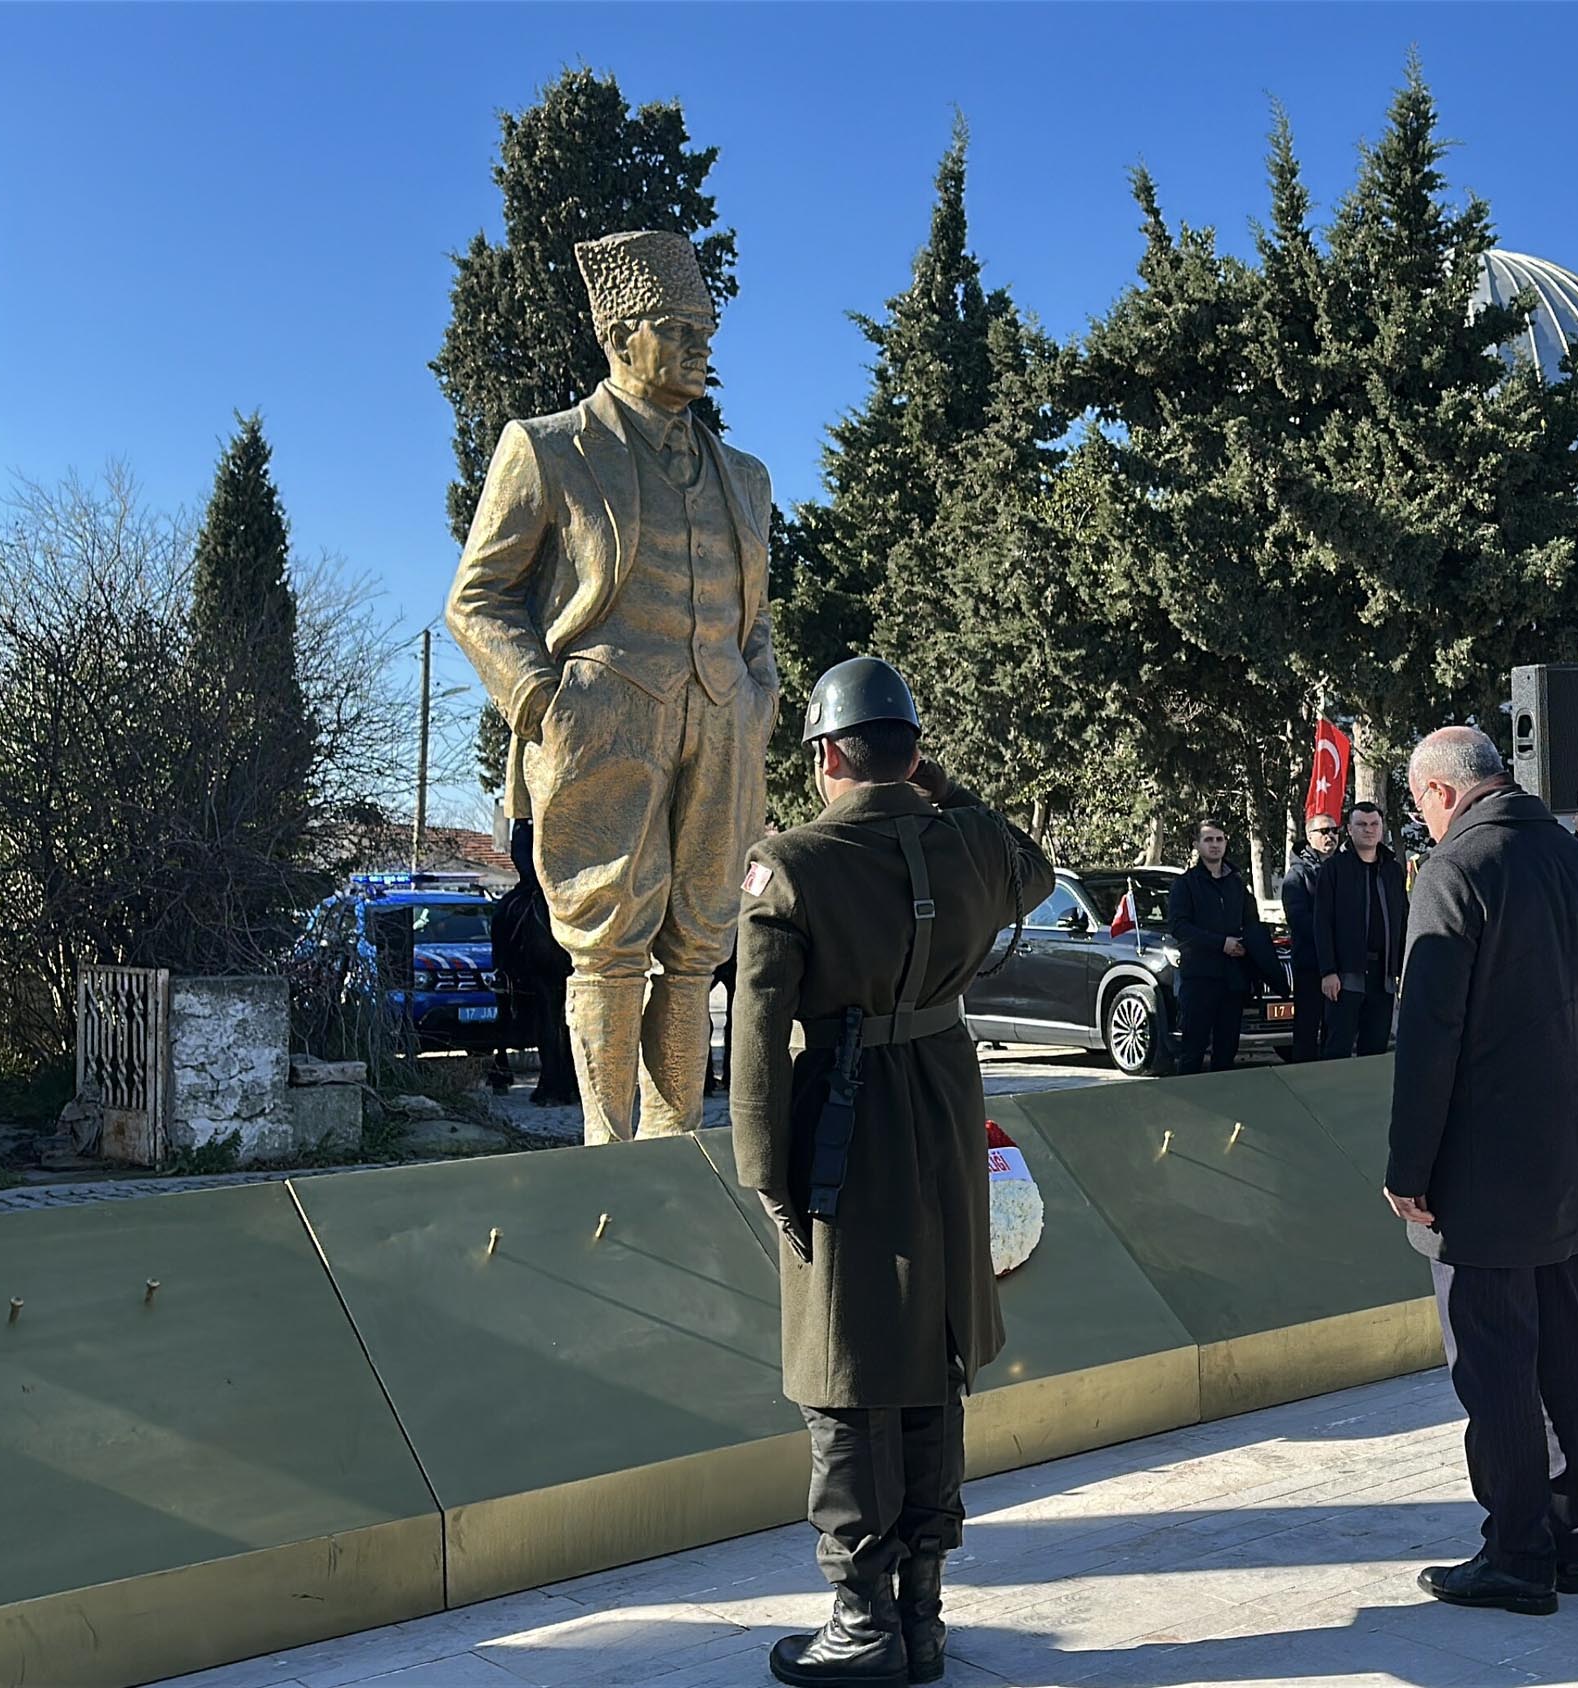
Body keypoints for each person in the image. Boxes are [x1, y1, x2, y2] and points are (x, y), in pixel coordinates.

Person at [733, 657, 1051, 1688]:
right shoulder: (968, 844)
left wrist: (767, 1174)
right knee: (934, 1353)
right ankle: (922, 1615)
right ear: (913, 749)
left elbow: (757, 1039)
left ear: (827, 754)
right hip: (945, 1108)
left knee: (841, 1370)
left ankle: (859, 1617)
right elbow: (1034, 864)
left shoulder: (790, 861)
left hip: (843, 1119)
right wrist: (934, 784)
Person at [446, 230, 782, 1146]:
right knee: (606, 948)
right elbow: (476, 598)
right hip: (603, 723)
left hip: (721, 723)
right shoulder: (549, 449)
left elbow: (754, 617)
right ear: (620, 337)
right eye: (680, 327)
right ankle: (610, 1150)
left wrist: (760, 697)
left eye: (706, 327)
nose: (702, 346)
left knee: (698, 945)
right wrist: (546, 704)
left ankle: (676, 1150)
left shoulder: (744, 478)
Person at [1385, 726, 1578, 1616]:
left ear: (1444, 793)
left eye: (1420, 805)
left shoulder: (1458, 870)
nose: (1423, 822)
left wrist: (1407, 1164)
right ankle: (1567, 1537)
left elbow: (1429, 1036)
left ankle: (1518, 1552)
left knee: (1495, 1366)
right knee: (1565, 1348)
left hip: (1483, 1170)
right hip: (1573, 1152)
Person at [1167, 819, 1278, 1075]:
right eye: (1208, 840)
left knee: (1227, 1050)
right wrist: (1221, 944)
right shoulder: (1185, 885)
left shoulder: (1236, 883)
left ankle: (1225, 1107)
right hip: (1200, 979)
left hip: (1233, 979)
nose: (1215, 845)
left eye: (1219, 839)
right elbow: (1179, 927)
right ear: (1196, 845)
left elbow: (1251, 921)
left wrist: (1247, 945)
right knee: (1193, 1050)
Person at [491, 817, 581, 1107]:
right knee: (505, 910)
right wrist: (536, 878)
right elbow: (520, 852)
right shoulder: (524, 823)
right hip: (533, 883)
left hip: (564, 882)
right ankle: (503, 972)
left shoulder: (563, 814)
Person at [1311, 801, 1411, 1059]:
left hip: (1383, 976)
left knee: (1376, 1047)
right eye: (1362, 824)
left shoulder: (1392, 869)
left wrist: (1403, 970)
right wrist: (1328, 971)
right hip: (1346, 974)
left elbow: (1403, 918)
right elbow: (1322, 923)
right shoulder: (1334, 869)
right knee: (1338, 1046)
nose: (1369, 830)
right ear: (1349, 829)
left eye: (1374, 824)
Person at [1280, 814, 1342, 1062]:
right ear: (1309, 836)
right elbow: (1299, 920)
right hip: (1311, 964)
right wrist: (1331, 933)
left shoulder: (1344, 868)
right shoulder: (1296, 875)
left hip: (1342, 963)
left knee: (1336, 1031)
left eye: (1334, 830)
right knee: (1307, 1029)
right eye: (1324, 831)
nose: (1330, 836)